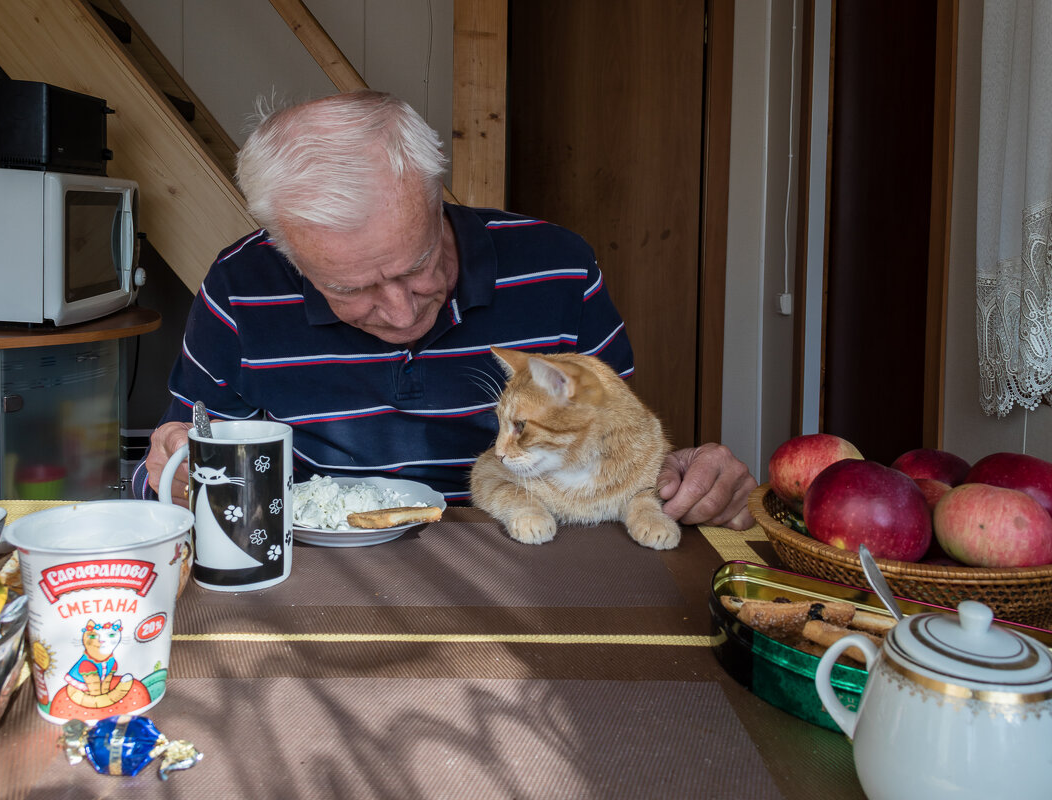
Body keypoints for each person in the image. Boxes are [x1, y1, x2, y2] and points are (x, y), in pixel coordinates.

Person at [133, 90, 756, 530]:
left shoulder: (558, 268)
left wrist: (682, 479)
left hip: (528, 559)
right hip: (316, 572)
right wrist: (178, 478)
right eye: (351, 289)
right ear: (287, 253)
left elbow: (613, 446)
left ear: (439, 202)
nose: (402, 315)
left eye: (416, 266)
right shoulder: (242, 286)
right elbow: (166, 466)